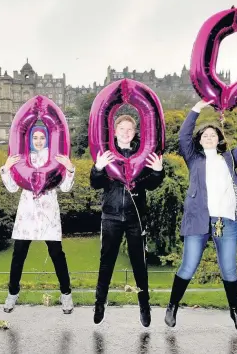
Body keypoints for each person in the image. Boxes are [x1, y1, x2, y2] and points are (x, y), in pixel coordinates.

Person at [164, 99, 237, 333]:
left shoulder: (230, 159)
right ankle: (172, 306)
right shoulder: (193, 158)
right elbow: (183, 136)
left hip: (225, 221)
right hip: (198, 218)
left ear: (219, 139)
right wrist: (197, 107)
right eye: (204, 135)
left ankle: (235, 312)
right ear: (200, 140)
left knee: (229, 269)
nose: (208, 137)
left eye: (212, 134)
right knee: (188, 266)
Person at [90, 115, 164, 326]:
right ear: (115, 131)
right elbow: (95, 184)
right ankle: (99, 303)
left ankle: (144, 306)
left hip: (136, 218)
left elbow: (151, 184)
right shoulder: (107, 155)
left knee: (139, 264)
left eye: (129, 129)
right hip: (111, 216)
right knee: (107, 262)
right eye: (121, 129)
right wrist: (98, 168)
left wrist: (158, 172)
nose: (125, 132)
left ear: (134, 132)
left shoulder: (144, 154)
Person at [0, 125, 76, 314]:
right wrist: (6, 169)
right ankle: (12, 293)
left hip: (48, 214)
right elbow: (12, 188)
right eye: (36, 138)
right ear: (30, 140)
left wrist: (70, 169)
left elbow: (65, 188)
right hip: (27, 214)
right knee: (18, 255)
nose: (39, 141)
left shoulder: (56, 158)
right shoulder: (24, 158)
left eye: (42, 137)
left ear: (48, 139)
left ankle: (66, 294)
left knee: (57, 254)